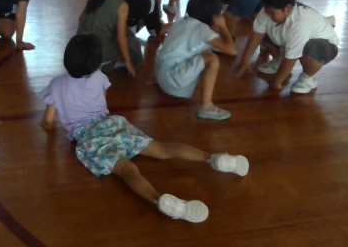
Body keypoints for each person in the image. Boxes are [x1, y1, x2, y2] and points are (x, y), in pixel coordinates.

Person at [40, 33, 250, 223]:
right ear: (96, 63)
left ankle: (161, 201)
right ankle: (213, 158)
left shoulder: (56, 84)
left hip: (89, 137)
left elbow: (48, 120)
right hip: (112, 124)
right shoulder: (99, 77)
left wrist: (48, 127)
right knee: (163, 149)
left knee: (128, 170)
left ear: (67, 59)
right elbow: (102, 98)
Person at [234, 0, 338, 94]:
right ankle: (279, 60)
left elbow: (291, 58)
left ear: (288, 8)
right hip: (291, 40)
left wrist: (277, 82)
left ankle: (308, 78)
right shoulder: (268, 10)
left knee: (311, 47)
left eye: (271, 13)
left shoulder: (302, 22)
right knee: (264, 32)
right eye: (266, 11)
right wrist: (245, 60)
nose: (267, 15)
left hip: (324, 46)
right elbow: (257, 34)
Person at [154, 0, 237, 121]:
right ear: (214, 15)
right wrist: (223, 27)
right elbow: (232, 51)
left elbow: (164, 29)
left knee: (204, 51)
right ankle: (206, 106)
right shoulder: (203, 30)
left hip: (160, 74)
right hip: (172, 81)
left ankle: (167, 78)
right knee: (212, 59)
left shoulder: (183, 20)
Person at [78, 0, 143, 76]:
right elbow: (121, 38)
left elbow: (81, 19)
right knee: (133, 43)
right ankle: (110, 64)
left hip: (82, 52)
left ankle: (105, 62)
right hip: (99, 55)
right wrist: (129, 63)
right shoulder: (121, 5)